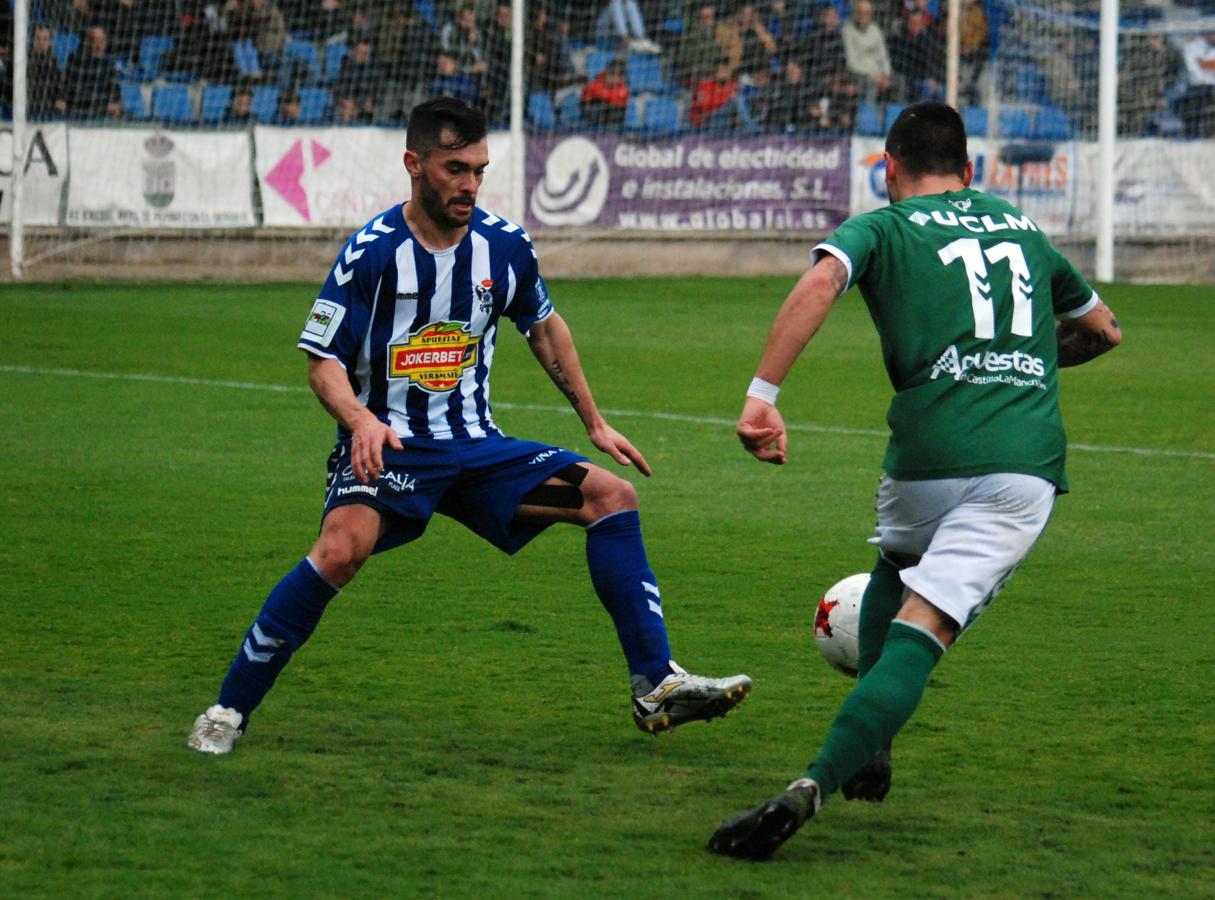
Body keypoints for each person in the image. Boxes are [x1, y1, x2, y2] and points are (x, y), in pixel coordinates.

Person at [186, 97, 752, 755]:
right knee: (340, 551)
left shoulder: (504, 245)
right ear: (414, 163)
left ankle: (656, 684)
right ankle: (226, 710)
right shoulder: (372, 253)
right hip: (393, 445)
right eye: (456, 168)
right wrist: (361, 420)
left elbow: (544, 327)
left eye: (480, 169)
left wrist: (593, 422)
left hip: (478, 448)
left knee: (612, 496)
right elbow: (321, 362)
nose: (470, 184)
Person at [708, 101, 1122, 860]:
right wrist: (1022, 358)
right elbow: (1104, 330)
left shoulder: (881, 226)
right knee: (923, 628)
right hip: (1019, 465)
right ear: (969, 172)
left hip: (924, 457)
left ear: (889, 168)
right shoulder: (1022, 228)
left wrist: (761, 400)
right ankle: (812, 785)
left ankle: (872, 741)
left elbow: (821, 283)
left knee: (895, 566)